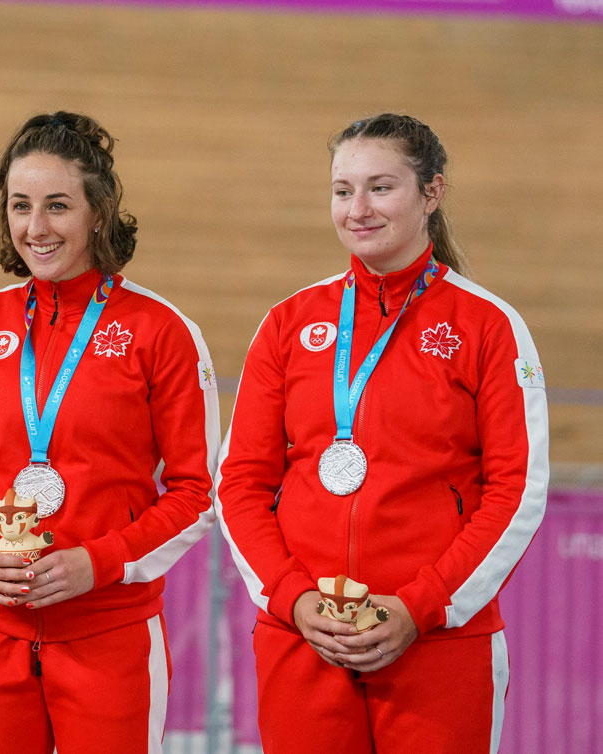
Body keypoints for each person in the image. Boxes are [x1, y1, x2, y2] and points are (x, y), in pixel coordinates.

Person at [215, 113, 548, 753]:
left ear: (432, 192)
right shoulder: (288, 323)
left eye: (380, 188)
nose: (358, 209)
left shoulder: (488, 326)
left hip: (439, 644)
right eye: (343, 191)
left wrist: (423, 606)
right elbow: (241, 483)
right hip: (303, 639)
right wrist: (292, 599)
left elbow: (517, 492)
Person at [0, 111, 220, 754]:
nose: (36, 227)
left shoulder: (162, 332)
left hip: (109, 635)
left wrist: (98, 563)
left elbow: (196, 492)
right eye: (20, 206)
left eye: (58, 206)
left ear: (98, 213)